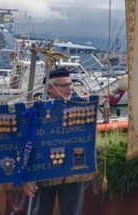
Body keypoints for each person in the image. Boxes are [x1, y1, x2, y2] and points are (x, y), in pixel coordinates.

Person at [21, 67, 88, 215]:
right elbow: (26, 146)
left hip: (72, 172)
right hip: (43, 171)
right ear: (50, 88)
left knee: (72, 212)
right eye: (64, 85)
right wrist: (26, 177)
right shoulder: (35, 112)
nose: (69, 88)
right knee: (40, 211)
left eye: (71, 84)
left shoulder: (81, 109)